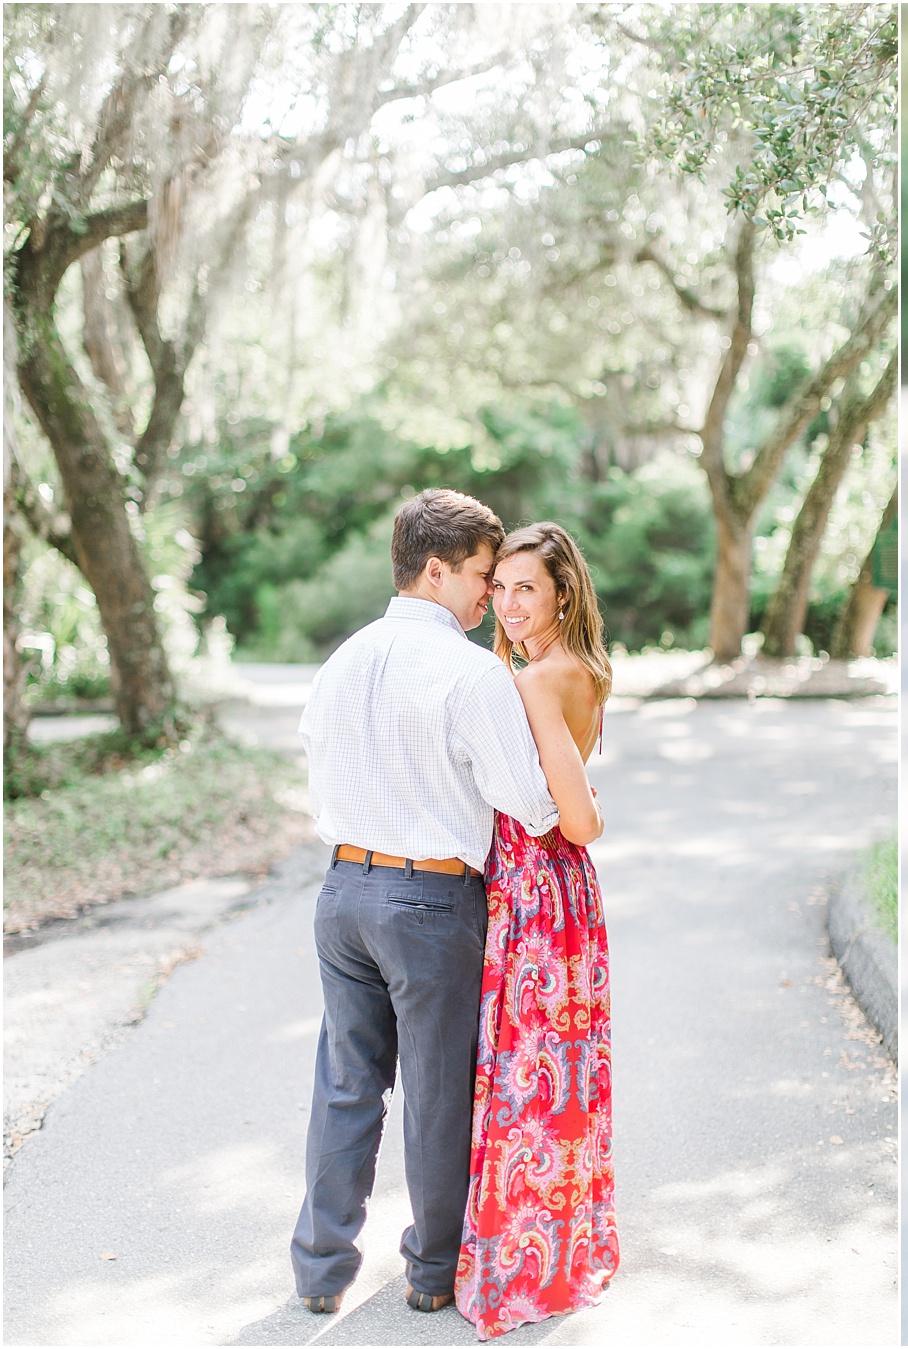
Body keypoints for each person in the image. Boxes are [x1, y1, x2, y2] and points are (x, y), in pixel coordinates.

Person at [291, 489, 573, 1315]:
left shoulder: (342, 658)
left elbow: (316, 757)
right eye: (485, 575)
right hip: (430, 899)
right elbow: (532, 802)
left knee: (346, 1080)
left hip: (342, 891)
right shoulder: (471, 671)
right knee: (440, 1090)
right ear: (437, 569)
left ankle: (320, 1269)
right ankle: (433, 1271)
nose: (492, 594)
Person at [455, 521, 619, 1339]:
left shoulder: (534, 682)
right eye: (504, 587)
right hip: (567, 897)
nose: (511, 603)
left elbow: (581, 819)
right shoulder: (583, 667)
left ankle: (523, 1266)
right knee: (559, 1076)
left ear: (562, 592)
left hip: (536, 893)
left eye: (529, 587)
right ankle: (553, 1242)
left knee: (528, 1078)